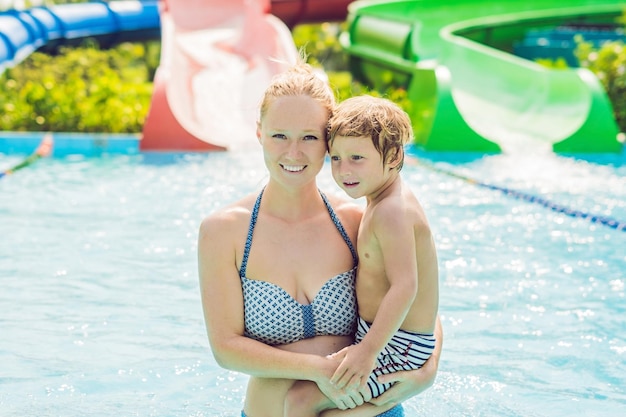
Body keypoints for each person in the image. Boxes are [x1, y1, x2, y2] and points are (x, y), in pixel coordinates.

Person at [198, 63, 443, 417]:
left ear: (329, 142)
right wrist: (318, 371)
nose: (293, 152)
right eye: (280, 135)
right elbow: (225, 349)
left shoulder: (355, 219)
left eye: (310, 137)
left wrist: (428, 369)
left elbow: (420, 296)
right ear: (259, 134)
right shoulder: (224, 231)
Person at [283, 95, 440, 416]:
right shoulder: (381, 199)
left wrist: (367, 351)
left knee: (300, 401)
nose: (343, 170)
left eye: (357, 158)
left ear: (394, 156)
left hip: (400, 346)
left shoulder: (392, 212)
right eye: (336, 158)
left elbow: (406, 286)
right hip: (386, 336)